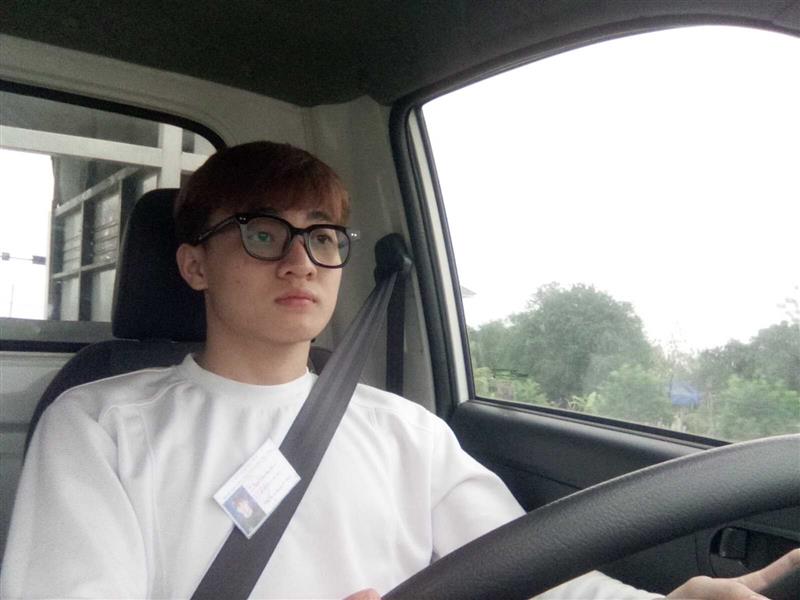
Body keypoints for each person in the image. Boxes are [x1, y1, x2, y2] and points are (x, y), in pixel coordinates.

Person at [2, 142, 796, 599]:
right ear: (194, 265)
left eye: (323, 237)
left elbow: (530, 568)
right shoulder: (100, 423)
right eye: (261, 233)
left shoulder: (403, 430)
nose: (300, 261)